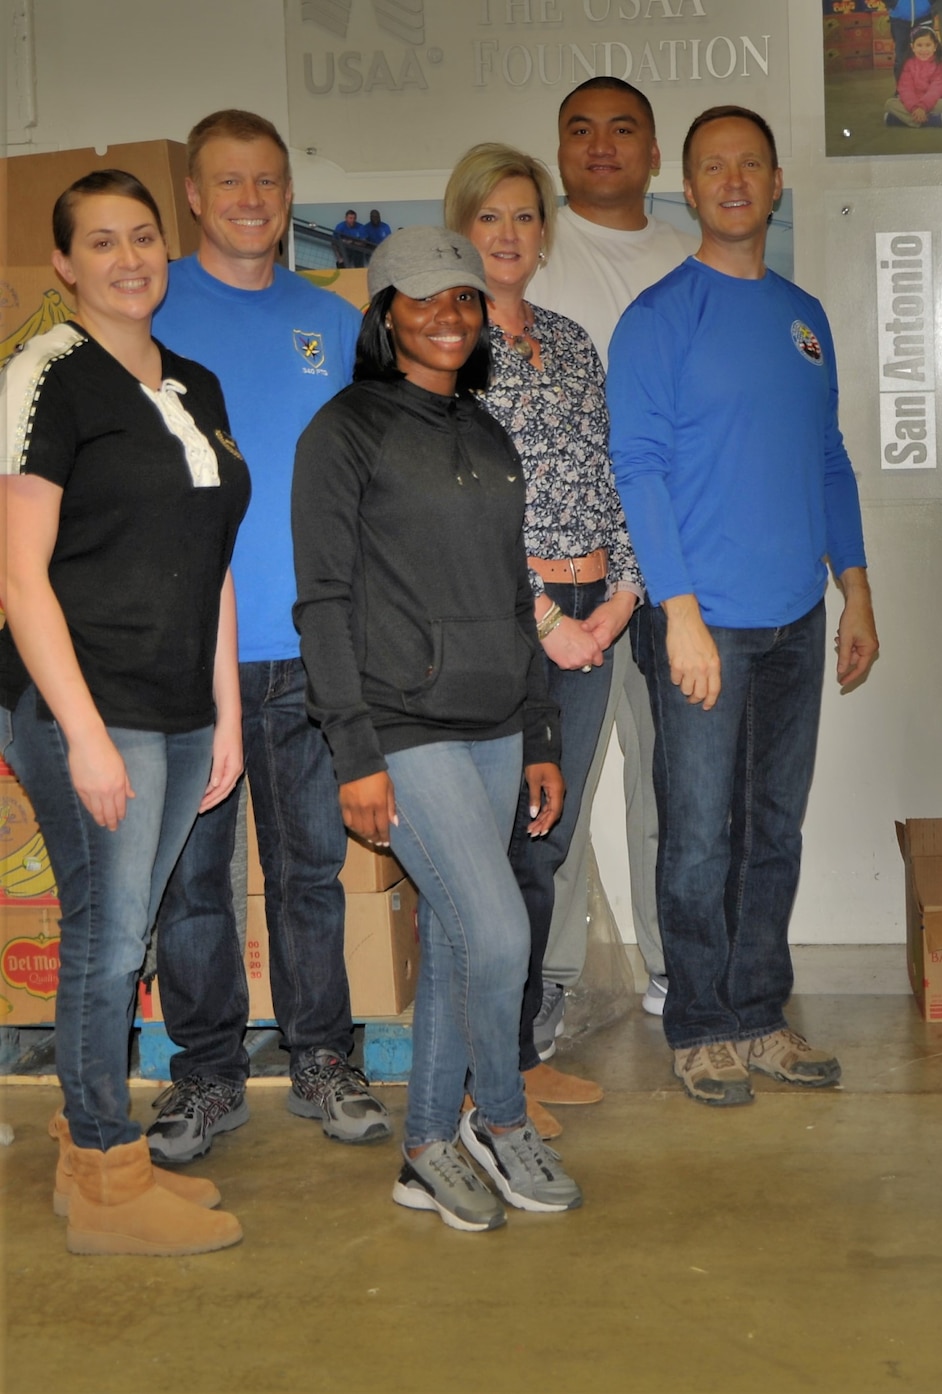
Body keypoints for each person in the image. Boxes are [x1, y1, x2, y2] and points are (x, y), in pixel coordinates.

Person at [293, 229, 579, 1231]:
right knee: (501, 931)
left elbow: (514, 593)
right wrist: (353, 750)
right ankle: (496, 1118)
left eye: (462, 297)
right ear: (384, 313)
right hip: (401, 722)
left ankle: (424, 1147)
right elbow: (322, 604)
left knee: (467, 938)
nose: (448, 315)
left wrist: (540, 726)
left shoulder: (484, 431)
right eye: (423, 299)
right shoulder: (345, 431)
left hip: (497, 718)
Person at [608, 106, 879, 1106]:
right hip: (701, 620)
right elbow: (634, 468)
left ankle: (759, 1013)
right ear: (687, 189)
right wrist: (676, 612)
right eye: (711, 166)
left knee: (773, 828)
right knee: (699, 833)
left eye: (749, 165)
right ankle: (701, 1024)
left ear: (773, 186)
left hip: (793, 619)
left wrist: (854, 586)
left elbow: (827, 458)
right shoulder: (657, 319)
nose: (731, 180)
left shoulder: (802, 318)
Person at [1, 169, 249, 1256]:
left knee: (124, 936)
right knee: (105, 945)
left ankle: (88, 1145)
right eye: (99, 242)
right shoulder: (45, 374)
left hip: (180, 704)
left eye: (142, 235)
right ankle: (104, 1173)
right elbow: (17, 575)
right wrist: (87, 735)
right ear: (65, 265)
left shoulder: (193, 382)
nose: (127, 258)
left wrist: (226, 715)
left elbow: (216, 565)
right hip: (84, 706)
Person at [144, 109, 383, 1167]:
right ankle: (203, 1073)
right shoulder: (147, 309)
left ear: (290, 195)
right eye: (228, 182)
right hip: (187, 650)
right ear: (192, 195)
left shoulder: (332, 319)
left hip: (310, 646)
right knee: (192, 883)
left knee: (308, 871)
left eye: (269, 182)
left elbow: (369, 478)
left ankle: (323, 1053)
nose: (251, 199)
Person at [446, 142, 645, 1130]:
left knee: (548, 845)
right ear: (461, 229)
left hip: (593, 615)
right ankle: (491, 1074)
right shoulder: (442, 346)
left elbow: (609, 473)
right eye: (490, 218)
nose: (510, 234)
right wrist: (544, 622)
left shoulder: (568, 340)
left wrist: (622, 596)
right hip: (509, 628)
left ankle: (520, 1053)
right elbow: (450, 508)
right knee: (502, 849)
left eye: (524, 215)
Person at [532, 75, 693, 1023]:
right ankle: (548, 980)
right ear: (558, 148)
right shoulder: (529, 257)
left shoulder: (687, 259)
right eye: (580, 129)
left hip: (670, 568)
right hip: (570, 582)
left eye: (623, 129)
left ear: (654, 151)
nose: (601, 145)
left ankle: (674, 968)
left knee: (670, 784)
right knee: (555, 788)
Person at [886, 27, 942, 128]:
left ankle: (902, 120)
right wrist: (915, 108)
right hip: (911, 103)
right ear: (913, 47)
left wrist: (923, 107)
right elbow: (905, 88)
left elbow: (937, 89)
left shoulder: (940, 64)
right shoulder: (908, 64)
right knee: (890, 103)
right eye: (919, 45)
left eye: (928, 45)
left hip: (930, 103)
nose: (924, 50)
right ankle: (928, 121)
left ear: (935, 47)